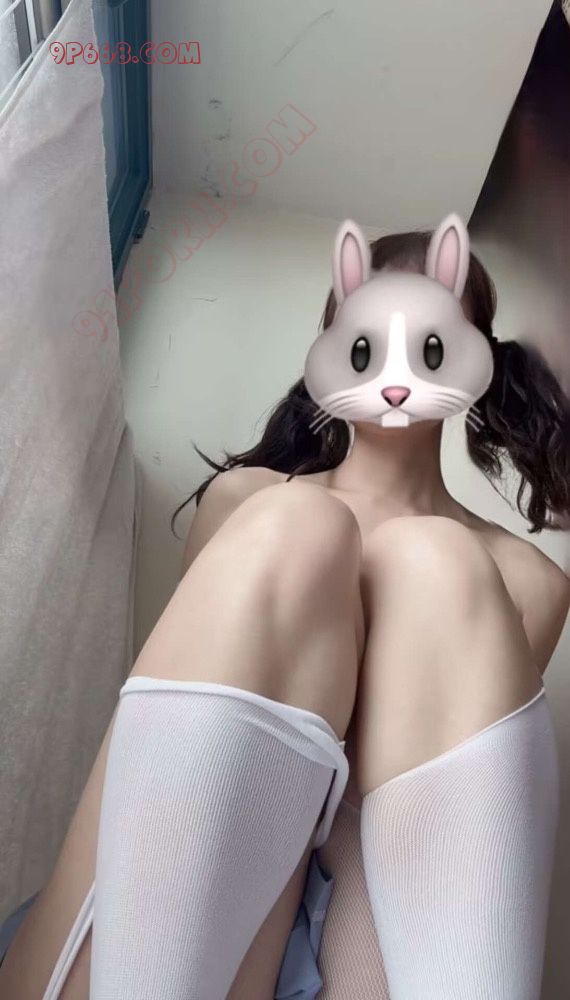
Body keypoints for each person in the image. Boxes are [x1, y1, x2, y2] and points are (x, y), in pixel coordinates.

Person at [0, 215, 568, 1000]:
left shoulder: (527, 581)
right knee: (298, 529)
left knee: (440, 565)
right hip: (177, 922)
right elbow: (186, 773)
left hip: (368, 939)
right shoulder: (248, 504)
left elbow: (445, 842)